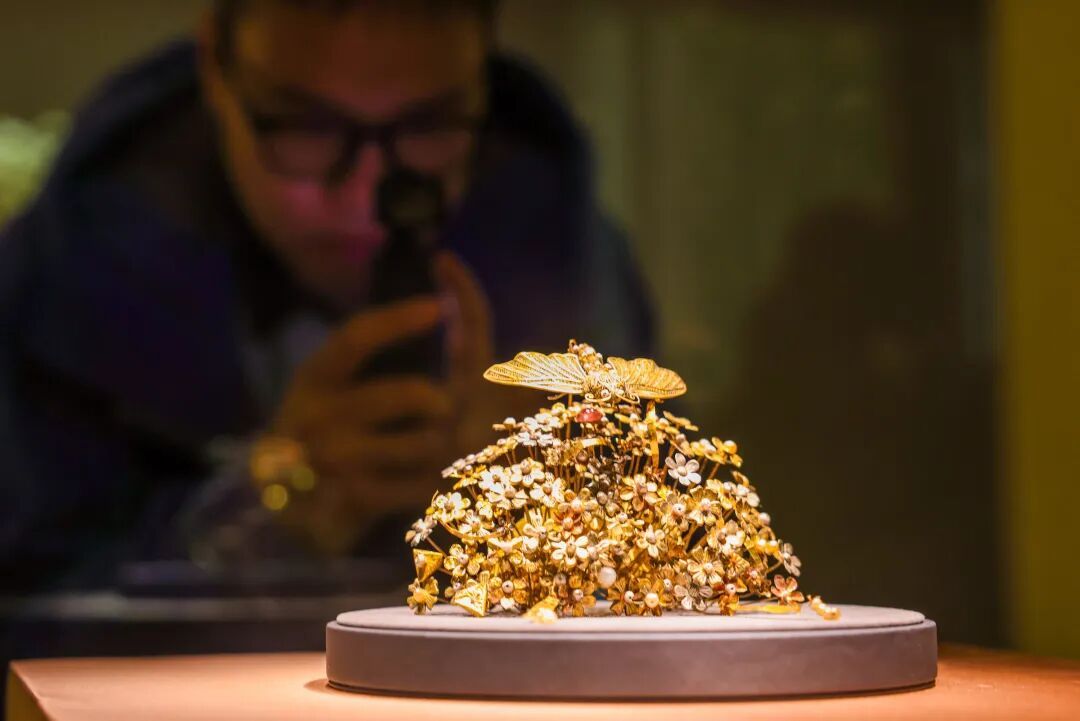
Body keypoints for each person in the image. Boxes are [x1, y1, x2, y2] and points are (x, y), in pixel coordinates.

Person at [0, 0, 653, 592]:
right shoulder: (59, 282)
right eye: (305, 126)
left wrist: (539, 500)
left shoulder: (572, 266)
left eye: (429, 124)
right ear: (216, 74)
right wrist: (265, 508)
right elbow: (34, 611)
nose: (368, 196)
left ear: (483, 86)